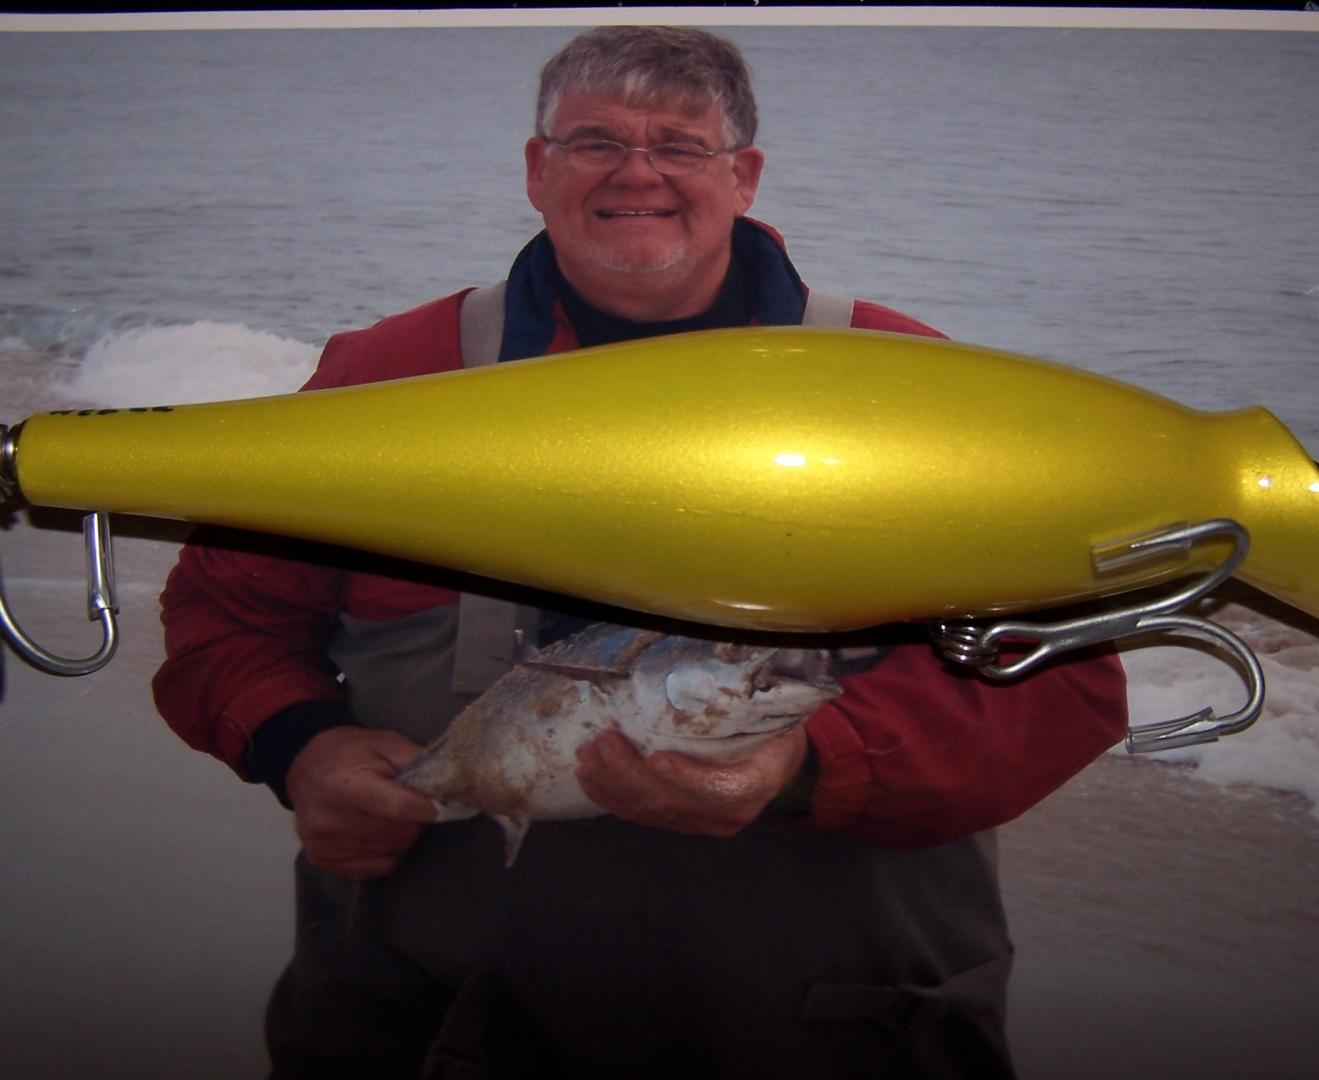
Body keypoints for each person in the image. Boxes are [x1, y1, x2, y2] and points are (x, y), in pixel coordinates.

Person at [153, 26, 1127, 1080]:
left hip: (838, 1028)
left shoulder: (909, 387)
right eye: (595, 142)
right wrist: (300, 745)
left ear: (744, 176)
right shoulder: (389, 379)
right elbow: (225, 618)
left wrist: (808, 764)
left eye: (680, 144)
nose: (636, 172)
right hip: (429, 1021)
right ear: (537, 170)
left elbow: (1062, 681)